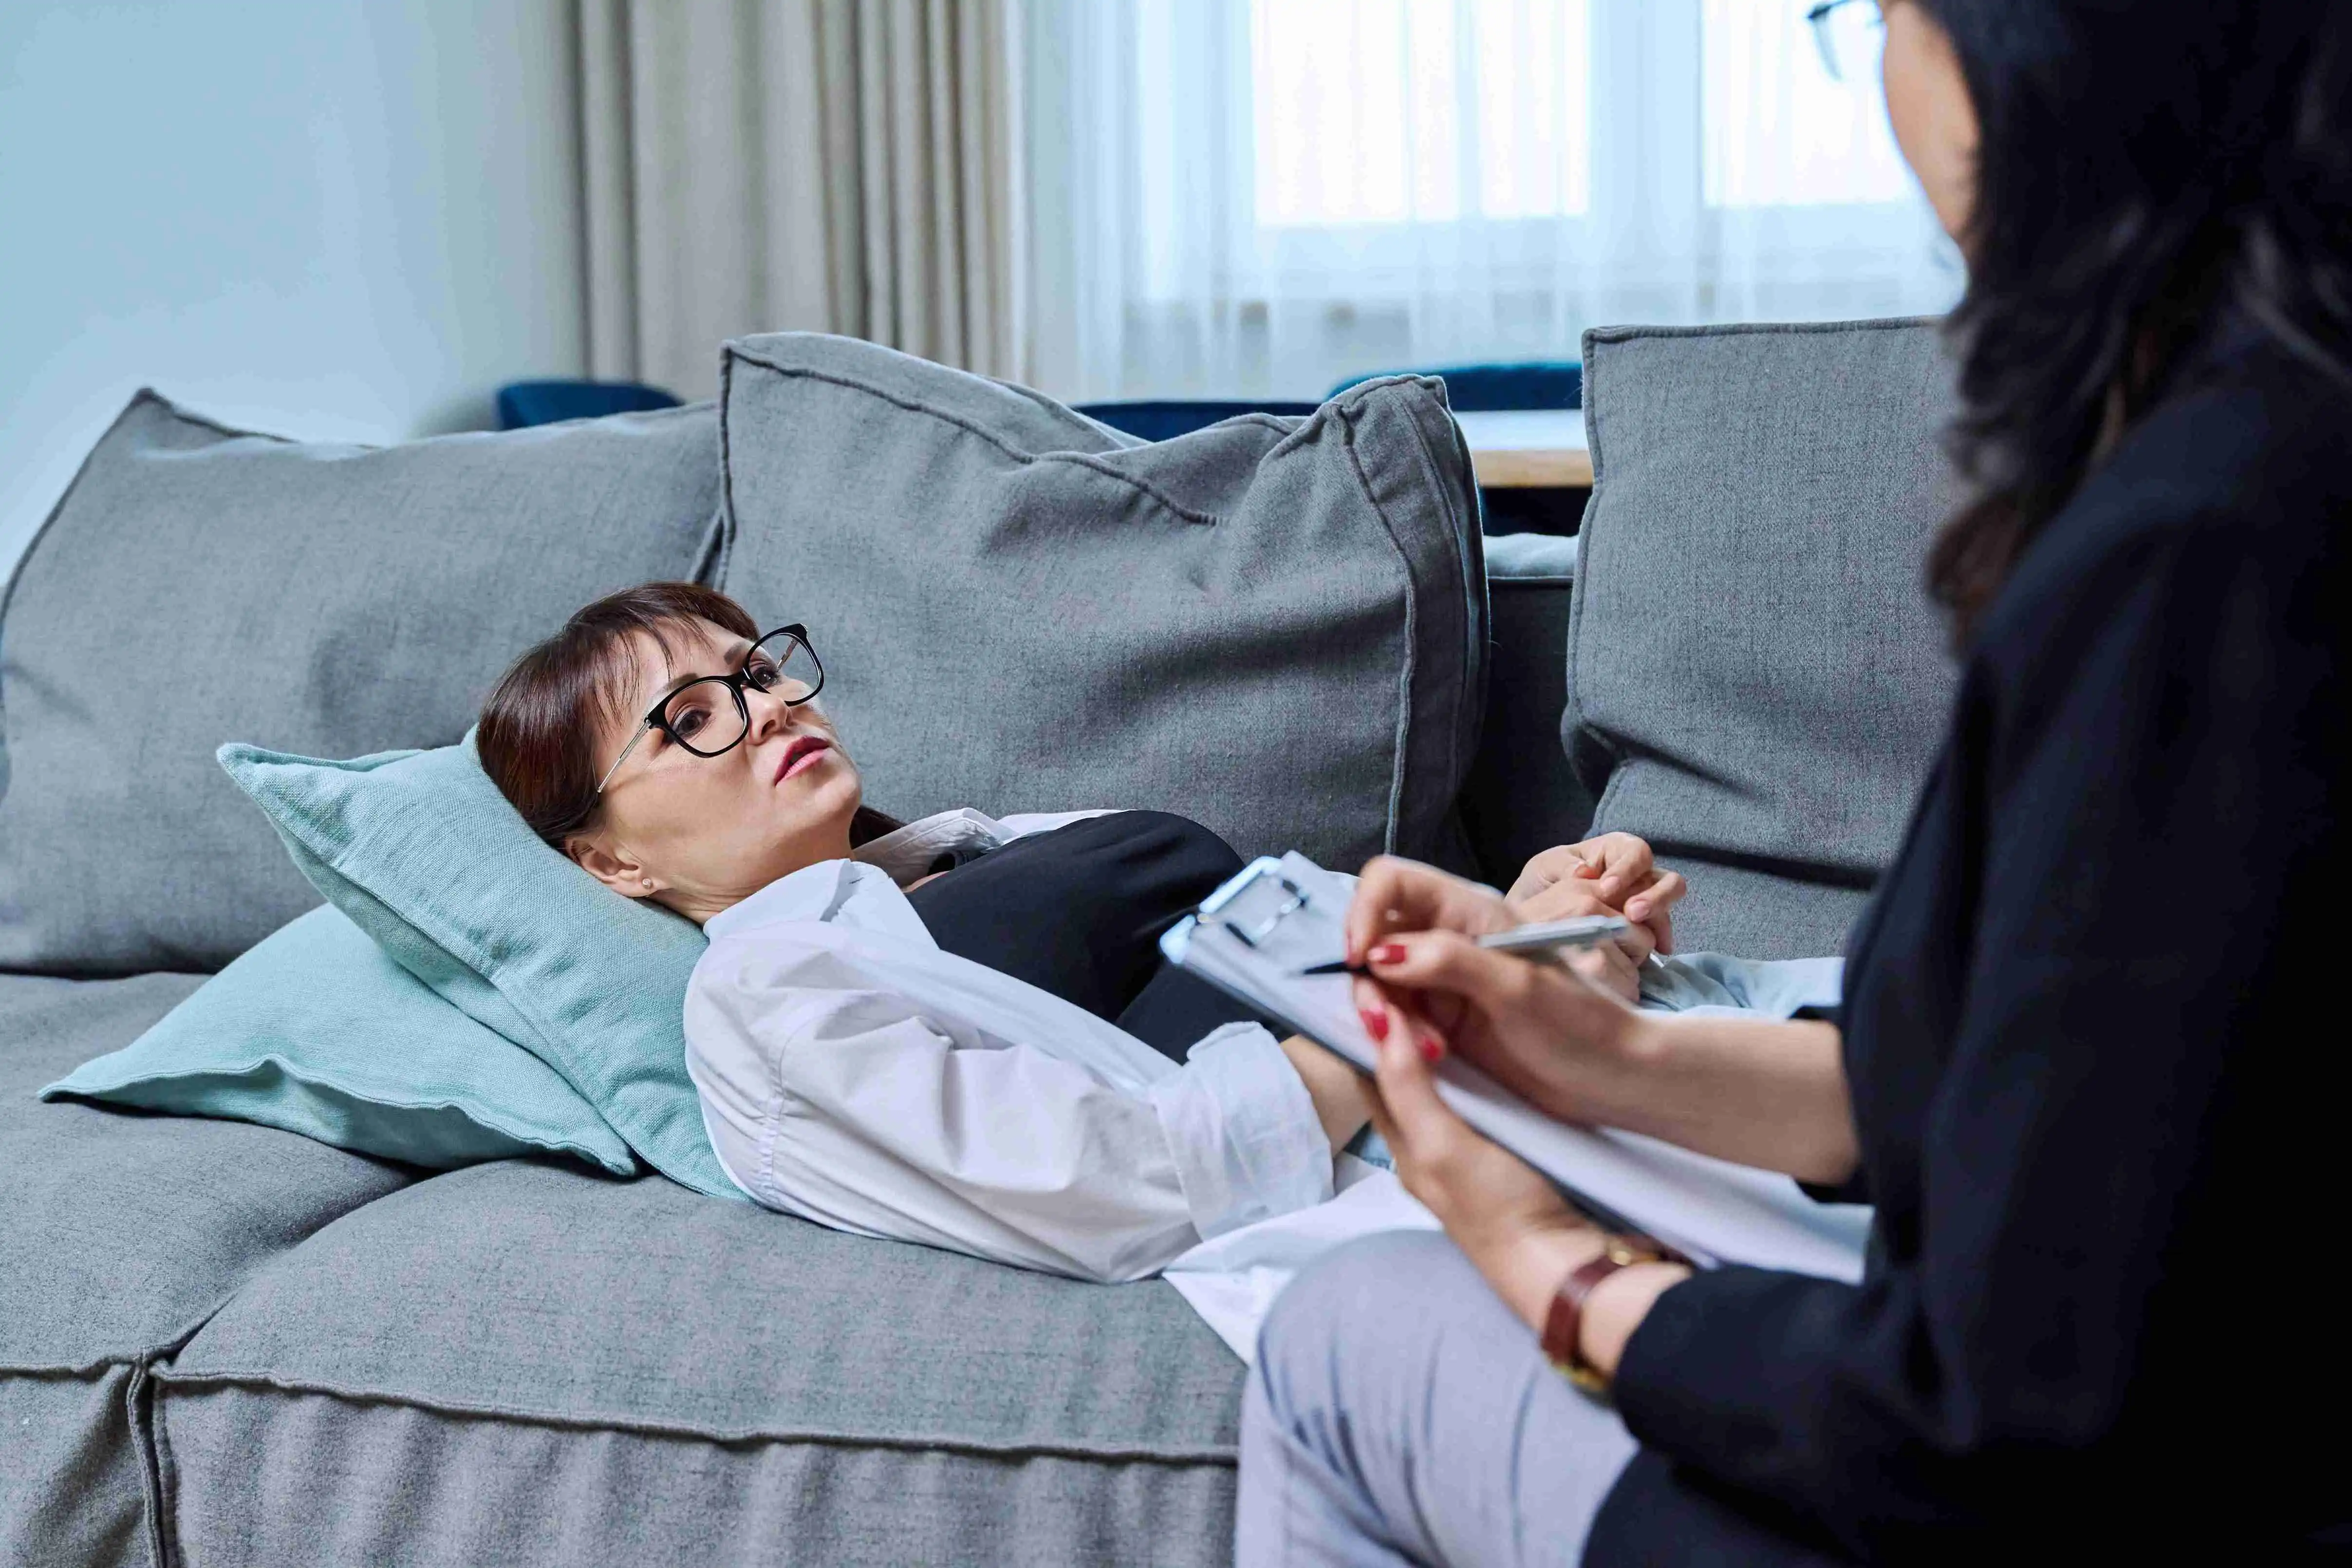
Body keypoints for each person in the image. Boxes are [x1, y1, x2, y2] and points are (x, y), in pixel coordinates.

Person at [1237, 1, 2351, 1562]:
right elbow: (1998, 1092)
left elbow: (1992, 1424)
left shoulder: (2198, 552)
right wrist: (1595, 1053)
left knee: (1346, 1331)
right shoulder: (2239, 460)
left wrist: (1554, 1266)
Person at [478, 580, 1733, 1292]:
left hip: (1571, 1078)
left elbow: (1352, 951)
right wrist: (1479, 980)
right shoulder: (767, 994)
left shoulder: (978, 850)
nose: (762, 712)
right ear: (610, 860)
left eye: (759, 673)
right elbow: (1112, 1180)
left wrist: (1563, 922)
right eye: (692, 716)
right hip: (1467, 1174)